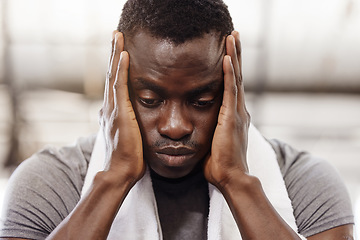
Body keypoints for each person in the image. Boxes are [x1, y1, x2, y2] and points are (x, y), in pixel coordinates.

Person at [0, 0, 354, 239]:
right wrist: (112, 180)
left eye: (201, 100)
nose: (175, 126)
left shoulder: (305, 183)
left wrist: (238, 182)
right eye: (150, 99)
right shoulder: (51, 182)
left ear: (234, 85)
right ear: (115, 83)